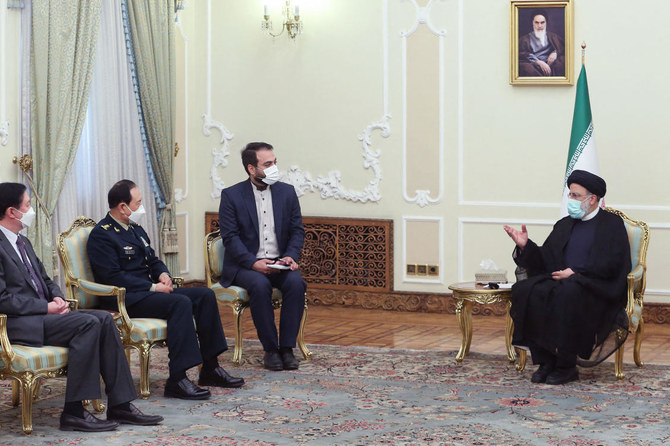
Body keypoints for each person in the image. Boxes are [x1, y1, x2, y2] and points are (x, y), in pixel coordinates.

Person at [0, 182, 163, 431]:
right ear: (12, 212)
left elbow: (45, 280)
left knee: (105, 319)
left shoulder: (23, 242)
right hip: (18, 324)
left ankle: (121, 405)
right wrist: (45, 308)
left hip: (43, 315)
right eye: (28, 205)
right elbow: (2, 300)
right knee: (87, 322)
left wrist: (57, 298)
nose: (31, 210)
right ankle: (74, 411)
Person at [87, 180, 244, 400]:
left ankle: (210, 367)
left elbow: (152, 259)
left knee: (204, 295)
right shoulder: (102, 235)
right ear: (123, 207)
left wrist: (163, 274)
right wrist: (152, 286)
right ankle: (177, 379)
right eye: (138, 203)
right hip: (125, 298)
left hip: (148, 292)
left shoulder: (135, 229)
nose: (141, 208)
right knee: (180, 303)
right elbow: (113, 277)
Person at [503, 170, 630, 385]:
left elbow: (612, 263)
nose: (570, 200)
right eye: (569, 195)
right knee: (527, 290)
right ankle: (546, 362)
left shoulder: (611, 224)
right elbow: (546, 258)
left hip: (595, 286)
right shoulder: (565, 224)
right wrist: (526, 245)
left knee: (568, 293)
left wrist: (577, 273)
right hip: (562, 281)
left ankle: (566, 365)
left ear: (592, 199)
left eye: (575, 196)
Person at [218, 142, 306, 371]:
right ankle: (270, 349)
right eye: (268, 164)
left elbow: (297, 230)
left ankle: (287, 348)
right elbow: (230, 237)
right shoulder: (231, 195)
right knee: (259, 285)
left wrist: (290, 256)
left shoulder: (287, 192)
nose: (274, 167)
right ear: (251, 168)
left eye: (275, 162)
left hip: (280, 261)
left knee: (297, 283)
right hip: (246, 265)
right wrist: (253, 263)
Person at [518, 11, 565, 77]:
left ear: (546, 23)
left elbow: (563, 48)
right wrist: (538, 62)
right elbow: (522, 54)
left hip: (551, 64)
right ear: (533, 23)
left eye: (542, 22)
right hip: (534, 65)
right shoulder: (525, 39)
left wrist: (555, 53)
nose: (539, 26)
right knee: (526, 68)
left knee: (562, 62)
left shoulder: (553, 36)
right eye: (536, 22)